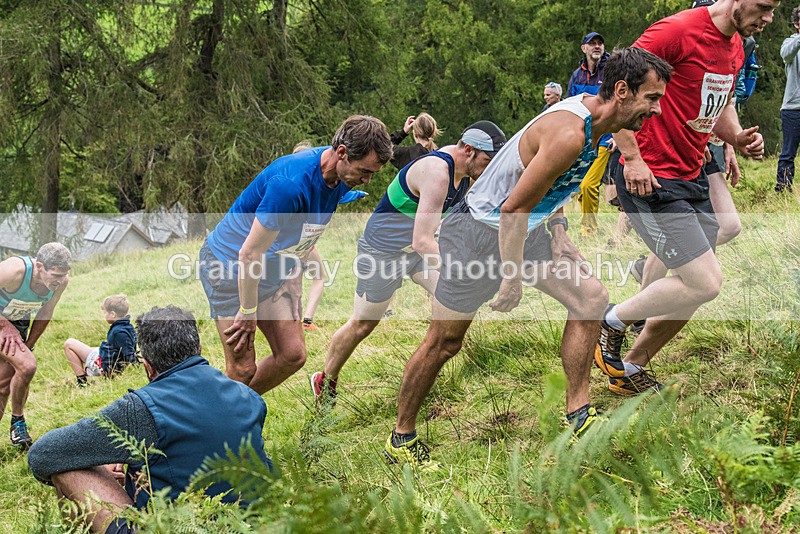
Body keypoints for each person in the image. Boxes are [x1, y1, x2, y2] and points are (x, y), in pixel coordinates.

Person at [383, 47, 671, 467]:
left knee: (589, 298)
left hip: (526, 229)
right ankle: (401, 436)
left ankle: (578, 413)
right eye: (652, 99)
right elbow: (512, 208)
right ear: (622, 91)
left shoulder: (604, 120)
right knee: (445, 342)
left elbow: (550, 187)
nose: (657, 110)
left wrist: (558, 230)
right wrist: (511, 276)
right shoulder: (570, 133)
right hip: (478, 233)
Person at [595, 0, 774, 396]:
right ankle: (610, 320)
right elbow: (614, 91)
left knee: (691, 290)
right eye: (764, 7)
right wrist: (632, 156)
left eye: (774, 10)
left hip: (691, 175)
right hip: (651, 177)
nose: (768, 19)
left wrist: (737, 137)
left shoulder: (736, 47)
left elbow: (720, 104)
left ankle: (629, 367)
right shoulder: (675, 31)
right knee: (705, 283)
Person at [28, 306, 271, 534]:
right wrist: (123, 456)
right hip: (258, 523)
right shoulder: (249, 396)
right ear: (198, 349)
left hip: (181, 525)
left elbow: (43, 454)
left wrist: (98, 462)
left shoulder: (140, 408)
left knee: (65, 466)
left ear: (147, 366)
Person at [310, 121, 507, 402]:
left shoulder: (465, 173)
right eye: (489, 160)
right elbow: (423, 241)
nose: (491, 168)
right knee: (363, 324)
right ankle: (325, 379)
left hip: (415, 253)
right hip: (383, 252)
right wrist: (464, 268)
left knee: (454, 300)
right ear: (469, 150)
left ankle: (427, 375)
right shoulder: (437, 172)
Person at [199, 115, 392, 395]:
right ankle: (218, 428)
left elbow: (302, 233)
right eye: (364, 171)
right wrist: (248, 310)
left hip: (270, 267)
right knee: (242, 369)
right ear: (341, 153)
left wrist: (292, 275)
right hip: (228, 267)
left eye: (372, 173)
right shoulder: (289, 185)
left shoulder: (338, 175)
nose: (367, 180)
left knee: (292, 355)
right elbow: (250, 254)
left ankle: (229, 409)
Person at [0, 242, 71, 447]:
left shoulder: (61, 281)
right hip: (4, 323)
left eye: (64, 275)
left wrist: (29, 343)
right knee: (27, 365)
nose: (60, 280)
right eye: (56, 275)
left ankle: (16, 425)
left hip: (18, 323)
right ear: (39, 267)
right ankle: (18, 421)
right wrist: (5, 326)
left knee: (4, 386)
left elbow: (46, 312)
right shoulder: (14, 271)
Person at [568, 31, 615, 238]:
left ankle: (588, 230)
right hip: (584, 139)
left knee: (589, 185)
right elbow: (571, 107)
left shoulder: (611, 71)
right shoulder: (577, 76)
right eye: (592, 43)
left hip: (605, 138)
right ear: (584, 48)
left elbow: (620, 103)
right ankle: (587, 225)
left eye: (600, 43)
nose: (597, 46)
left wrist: (617, 135)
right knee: (580, 184)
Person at [63, 294, 138, 386]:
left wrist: (108, 371)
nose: (104, 315)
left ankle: (82, 382)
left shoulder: (119, 332)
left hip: (101, 364)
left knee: (69, 344)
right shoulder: (127, 327)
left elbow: (129, 354)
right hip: (103, 355)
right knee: (82, 347)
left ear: (113, 314)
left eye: (105, 312)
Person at [777, 5, 800, 192]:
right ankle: (783, 190)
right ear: (796, 25)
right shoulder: (790, 42)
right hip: (793, 108)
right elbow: (786, 55)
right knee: (788, 153)